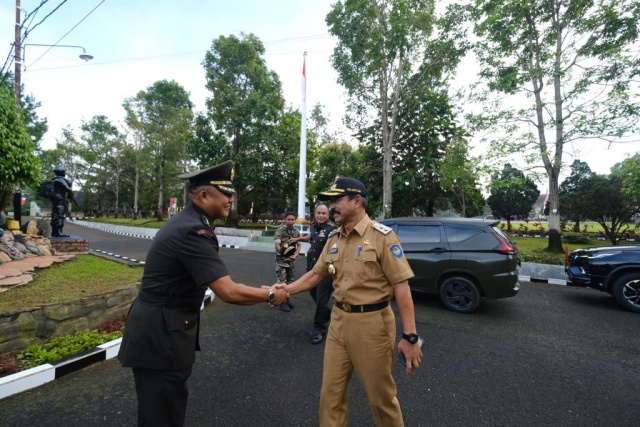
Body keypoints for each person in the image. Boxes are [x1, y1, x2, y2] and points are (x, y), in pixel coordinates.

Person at [118, 160, 289, 427]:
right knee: (162, 418)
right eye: (226, 193)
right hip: (161, 340)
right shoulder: (193, 231)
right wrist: (269, 295)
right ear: (205, 195)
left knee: (161, 413)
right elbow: (228, 292)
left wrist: (263, 290)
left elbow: (217, 280)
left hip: (159, 333)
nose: (231, 199)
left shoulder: (188, 222)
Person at [278, 177, 423, 427]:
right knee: (331, 396)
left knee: (382, 399)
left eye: (337, 200)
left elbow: (401, 286)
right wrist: (286, 289)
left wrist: (410, 337)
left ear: (357, 201)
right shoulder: (335, 239)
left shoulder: (382, 237)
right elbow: (316, 274)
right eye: (330, 201)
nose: (332, 206)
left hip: (372, 326)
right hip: (338, 323)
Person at [289, 204, 336, 344]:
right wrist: (298, 239)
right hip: (312, 267)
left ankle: (319, 329)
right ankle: (327, 314)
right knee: (312, 293)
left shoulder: (332, 230)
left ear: (328, 215)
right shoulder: (314, 226)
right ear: (315, 214)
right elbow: (311, 237)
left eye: (324, 213)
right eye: (319, 213)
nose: (321, 215)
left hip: (326, 271)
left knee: (321, 299)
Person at [274, 211, 301, 312]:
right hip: (281, 261)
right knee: (282, 282)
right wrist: (285, 254)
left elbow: (299, 245)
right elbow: (277, 245)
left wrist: (296, 254)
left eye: (292, 219)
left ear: (295, 220)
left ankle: (287, 299)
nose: (290, 221)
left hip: (291, 262)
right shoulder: (280, 231)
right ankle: (282, 302)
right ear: (285, 219)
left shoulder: (296, 232)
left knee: (289, 283)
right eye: (288, 219)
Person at [49, 165, 76, 237]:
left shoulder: (53, 179)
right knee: (60, 214)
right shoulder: (60, 180)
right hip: (59, 199)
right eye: (64, 171)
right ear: (61, 172)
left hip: (55, 199)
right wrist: (70, 194)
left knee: (55, 214)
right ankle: (58, 232)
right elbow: (68, 189)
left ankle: (54, 232)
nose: (65, 173)